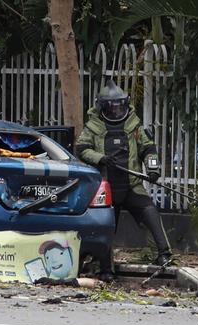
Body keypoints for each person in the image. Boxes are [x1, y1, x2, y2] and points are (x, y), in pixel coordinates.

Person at [76, 80, 172, 282]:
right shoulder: (93, 126)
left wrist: (153, 168)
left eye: (120, 106)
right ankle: (105, 268)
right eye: (112, 107)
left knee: (150, 212)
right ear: (103, 106)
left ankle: (164, 254)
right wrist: (100, 158)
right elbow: (82, 149)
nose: (117, 110)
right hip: (106, 187)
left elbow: (149, 148)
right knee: (106, 227)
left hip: (132, 184)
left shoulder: (134, 124)